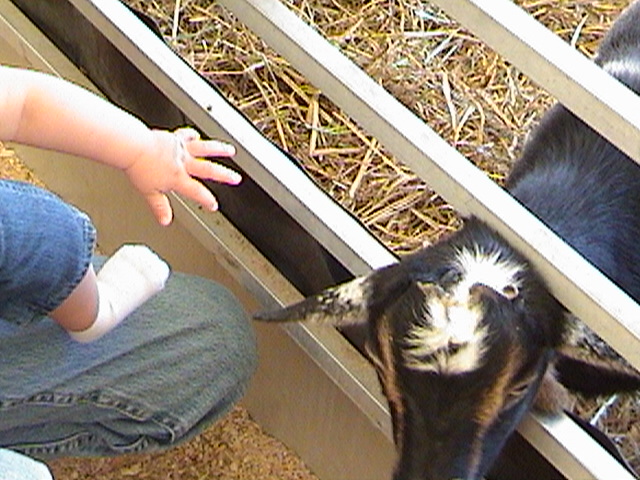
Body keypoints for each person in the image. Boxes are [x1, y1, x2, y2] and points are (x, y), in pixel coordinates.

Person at [0, 65, 257, 477]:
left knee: (215, 338)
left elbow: (20, 100)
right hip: (27, 245)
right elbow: (46, 244)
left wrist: (140, 147)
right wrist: (97, 311)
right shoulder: (25, 229)